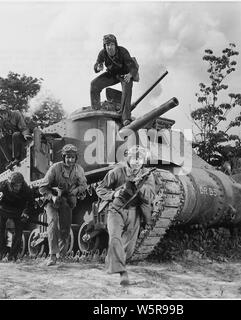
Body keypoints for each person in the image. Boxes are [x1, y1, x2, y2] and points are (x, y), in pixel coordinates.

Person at [95, 145, 155, 286]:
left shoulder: (148, 175)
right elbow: (100, 188)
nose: (136, 162)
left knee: (129, 247)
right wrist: (113, 194)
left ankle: (114, 261)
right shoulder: (117, 172)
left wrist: (139, 186)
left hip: (134, 212)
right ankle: (122, 273)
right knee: (115, 238)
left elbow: (151, 195)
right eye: (134, 159)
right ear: (128, 158)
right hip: (116, 210)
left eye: (140, 159)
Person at [39, 144, 88, 266]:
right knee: (53, 223)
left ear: (76, 158)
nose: (70, 160)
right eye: (68, 157)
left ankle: (62, 255)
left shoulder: (79, 170)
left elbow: (83, 185)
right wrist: (53, 196)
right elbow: (42, 187)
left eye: (72, 157)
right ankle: (52, 256)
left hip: (67, 201)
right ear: (63, 157)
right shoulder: (55, 168)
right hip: (53, 200)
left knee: (65, 227)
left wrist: (76, 191)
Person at [0, 172, 35, 262]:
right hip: (5, 206)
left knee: (19, 230)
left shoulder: (26, 189)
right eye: (15, 185)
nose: (18, 187)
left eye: (19, 185)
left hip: (18, 210)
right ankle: (0, 252)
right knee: (0, 226)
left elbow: (31, 203)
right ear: (10, 184)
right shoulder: (3, 185)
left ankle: (12, 255)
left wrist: (26, 212)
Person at [90, 34, 138, 126]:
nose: (109, 47)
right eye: (107, 45)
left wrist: (130, 74)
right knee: (94, 84)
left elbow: (133, 67)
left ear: (115, 45)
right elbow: (96, 65)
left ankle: (125, 118)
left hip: (125, 75)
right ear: (105, 46)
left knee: (127, 89)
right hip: (112, 74)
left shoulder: (123, 52)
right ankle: (96, 110)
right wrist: (98, 67)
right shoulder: (102, 53)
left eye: (112, 45)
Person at [0, 103, 32, 170]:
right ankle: (11, 161)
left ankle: (17, 158)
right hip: (12, 139)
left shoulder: (16, 114)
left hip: (22, 136)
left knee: (16, 134)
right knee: (0, 140)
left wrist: (26, 135)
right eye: (1, 114)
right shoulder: (0, 121)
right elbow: (3, 134)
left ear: (8, 111)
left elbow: (23, 127)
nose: (4, 116)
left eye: (5, 113)